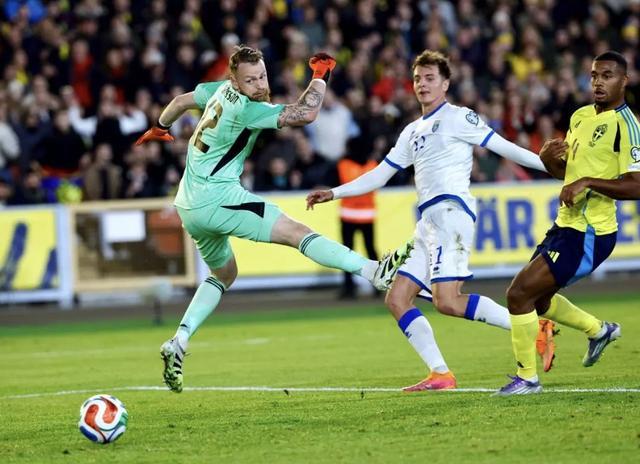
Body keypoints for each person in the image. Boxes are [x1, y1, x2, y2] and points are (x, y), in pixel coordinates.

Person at [135, 46, 412, 393]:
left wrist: (160, 127)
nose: (259, 85)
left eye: (262, 76)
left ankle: (179, 340)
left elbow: (179, 102)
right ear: (234, 81)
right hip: (218, 197)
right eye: (250, 80)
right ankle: (373, 271)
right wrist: (320, 74)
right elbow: (306, 113)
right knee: (297, 232)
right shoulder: (247, 109)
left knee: (224, 274)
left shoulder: (215, 91)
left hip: (188, 205)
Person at [307, 50, 562, 391]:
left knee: (448, 302)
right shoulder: (412, 131)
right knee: (397, 299)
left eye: (430, 78)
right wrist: (334, 193)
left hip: (451, 215)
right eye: (417, 79)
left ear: (445, 84)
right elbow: (380, 174)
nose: (422, 84)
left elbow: (506, 148)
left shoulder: (460, 117)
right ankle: (440, 373)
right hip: (427, 223)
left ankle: (533, 326)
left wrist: (551, 167)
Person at [496, 51, 640, 395]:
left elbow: (637, 185)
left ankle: (527, 379)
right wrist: (548, 161)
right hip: (565, 225)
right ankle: (599, 330)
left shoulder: (628, 126)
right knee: (539, 301)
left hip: (591, 233)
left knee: (518, 294)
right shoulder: (580, 116)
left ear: (624, 81)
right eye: (594, 75)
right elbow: (568, 176)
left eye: (607, 76)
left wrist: (588, 182)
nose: (598, 82)